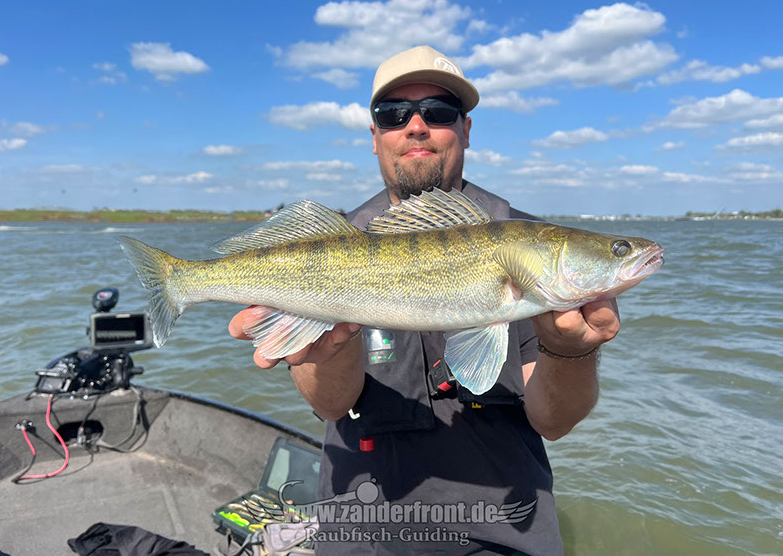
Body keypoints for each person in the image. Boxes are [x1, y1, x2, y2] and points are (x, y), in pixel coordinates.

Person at [229, 46, 620, 555]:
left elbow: (555, 422)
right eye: (393, 114)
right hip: (361, 535)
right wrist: (327, 347)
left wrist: (571, 351)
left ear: (466, 129)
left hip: (501, 533)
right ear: (374, 137)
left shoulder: (527, 246)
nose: (416, 126)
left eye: (438, 111)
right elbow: (331, 404)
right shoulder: (336, 241)